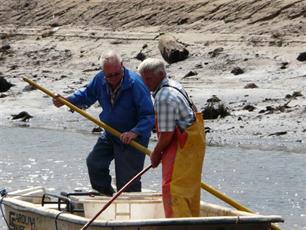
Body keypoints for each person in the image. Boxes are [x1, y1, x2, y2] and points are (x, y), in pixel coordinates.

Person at [53, 51, 155, 196]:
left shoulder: (136, 84)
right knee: (94, 163)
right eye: (109, 76)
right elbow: (87, 94)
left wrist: (134, 132)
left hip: (133, 139)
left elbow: (149, 115)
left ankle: (129, 208)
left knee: (127, 182)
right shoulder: (100, 79)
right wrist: (68, 100)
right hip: (110, 133)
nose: (113, 79)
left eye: (116, 74)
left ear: (122, 65)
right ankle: (105, 196)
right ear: (103, 72)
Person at [138, 58, 205, 218]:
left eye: (149, 79)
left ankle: (178, 225)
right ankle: (192, 222)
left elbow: (167, 134)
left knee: (173, 188)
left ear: (161, 74)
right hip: (194, 144)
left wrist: (156, 153)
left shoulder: (163, 98)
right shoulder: (175, 85)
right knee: (189, 187)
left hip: (182, 147)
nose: (146, 84)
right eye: (143, 79)